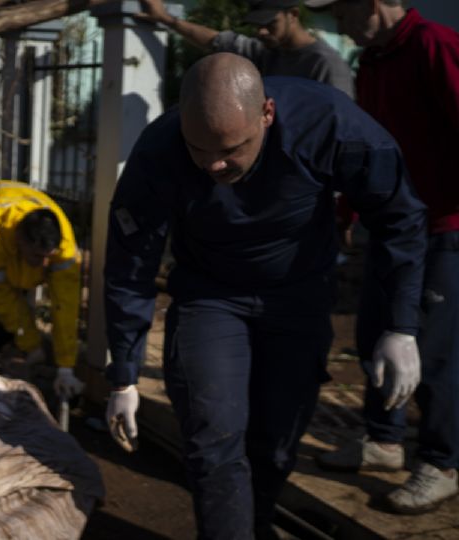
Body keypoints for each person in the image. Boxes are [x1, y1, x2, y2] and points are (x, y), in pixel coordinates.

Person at [103, 53, 426, 539]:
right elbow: (130, 264)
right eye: (198, 148)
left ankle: (253, 525)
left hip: (298, 295)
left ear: (267, 114)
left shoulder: (330, 125)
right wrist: (124, 375)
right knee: (214, 440)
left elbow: (399, 217)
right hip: (210, 295)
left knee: (275, 445)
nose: (214, 164)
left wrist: (400, 325)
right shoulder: (160, 150)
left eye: (232, 149)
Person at [306, 0, 459, 515]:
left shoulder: (433, 45)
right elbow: (366, 149)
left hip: (443, 227)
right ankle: (384, 441)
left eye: (340, 13)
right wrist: (349, 211)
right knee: (375, 335)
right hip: (391, 228)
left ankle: (442, 463)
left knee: (433, 350)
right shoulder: (372, 60)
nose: (338, 25)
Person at [0, 181, 85, 400]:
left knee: (17, 307)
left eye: (48, 257)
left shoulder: (64, 248)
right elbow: (5, 301)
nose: (45, 264)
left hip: (14, 213)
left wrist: (66, 367)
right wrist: (31, 344)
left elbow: (66, 306)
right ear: (20, 241)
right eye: (37, 256)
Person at [136, 0, 354, 98]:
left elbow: (342, 124)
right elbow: (215, 40)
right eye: (258, 26)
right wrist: (166, 19)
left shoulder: (325, 64)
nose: (262, 32)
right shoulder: (266, 52)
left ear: (293, 15)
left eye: (270, 24)